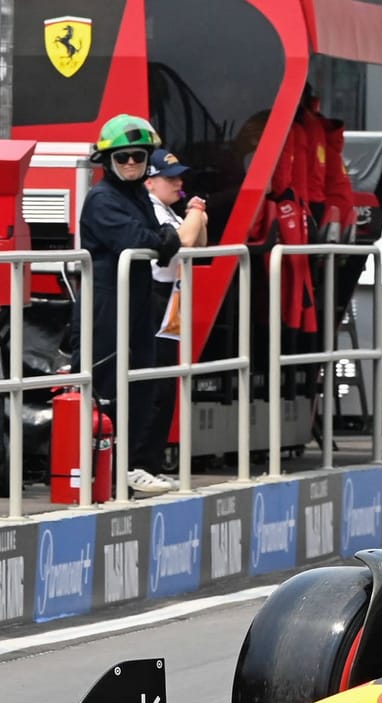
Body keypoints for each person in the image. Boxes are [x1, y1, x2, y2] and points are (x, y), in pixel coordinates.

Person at [80, 115, 199, 496]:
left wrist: (163, 237)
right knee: (108, 385)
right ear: (108, 160)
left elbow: (161, 238)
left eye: (138, 156)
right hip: (106, 302)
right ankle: (103, 471)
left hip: (137, 297)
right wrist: (163, 237)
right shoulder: (102, 199)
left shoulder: (133, 195)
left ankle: (130, 467)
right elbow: (142, 238)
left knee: (143, 382)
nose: (131, 163)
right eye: (123, 157)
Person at [138, 146, 208, 492]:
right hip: (154, 302)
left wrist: (196, 215)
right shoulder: (149, 209)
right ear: (150, 182)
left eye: (180, 176)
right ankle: (138, 464)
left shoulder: (167, 209)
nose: (178, 182)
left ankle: (149, 463)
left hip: (171, 306)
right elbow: (187, 238)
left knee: (166, 387)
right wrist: (196, 210)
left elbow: (198, 242)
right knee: (152, 387)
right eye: (171, 178)